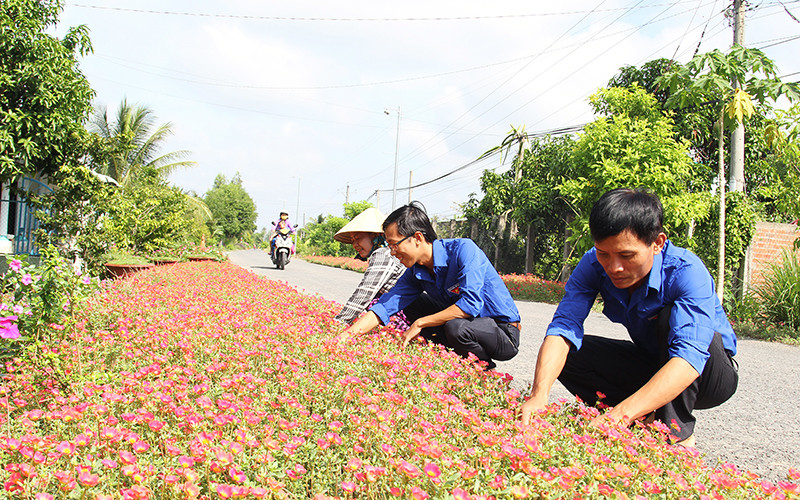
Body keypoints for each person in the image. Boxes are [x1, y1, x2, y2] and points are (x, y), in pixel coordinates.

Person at [520, 188, 738, 447]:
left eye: (627, 255)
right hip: (652, 364)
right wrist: (538, 396)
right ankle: (640, 416)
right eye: (604, 253)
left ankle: (674, 436)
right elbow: (564, 326)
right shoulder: (592, 264)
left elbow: (689, 357)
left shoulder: (686, 271)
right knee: (570, 353)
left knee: (670, 317)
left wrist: (618, 415)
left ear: (657, 243)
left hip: (707, 376)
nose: (614, 267)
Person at [340, 201, 521, 369]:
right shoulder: (415, 271)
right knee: (412, 303)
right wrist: (344, 337)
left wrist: (420, 323)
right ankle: (449, 361)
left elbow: (470, 304)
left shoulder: (464, 250)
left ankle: (483, 371)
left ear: (417, 237)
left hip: (502, 332)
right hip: (463, 325)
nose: (392, 253)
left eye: (395, 245)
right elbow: (385, 306)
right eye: (389, 246)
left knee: (456, 327)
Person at [332, 207, 406, 325]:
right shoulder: (387, 252)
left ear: (375, 236)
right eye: (352, 240)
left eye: (358, 238)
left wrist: (339, 323)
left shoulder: (384, 254)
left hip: (406, 312)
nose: (355, 245)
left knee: (375, 303)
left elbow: (365, 292)